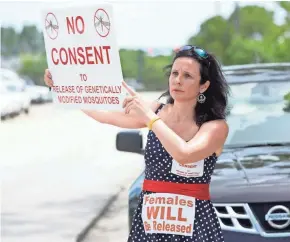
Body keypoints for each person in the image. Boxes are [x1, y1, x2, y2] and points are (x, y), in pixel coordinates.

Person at [44, 45, 229, 242]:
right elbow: (103, 114)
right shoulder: (156, 111)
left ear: (203, 86)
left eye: (187, 76)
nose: (177, 80)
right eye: (174, 73)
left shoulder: (215, 126)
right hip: (150, 225)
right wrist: (63, 87)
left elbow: (185, 154)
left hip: (196, 229)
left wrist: (149, 118)